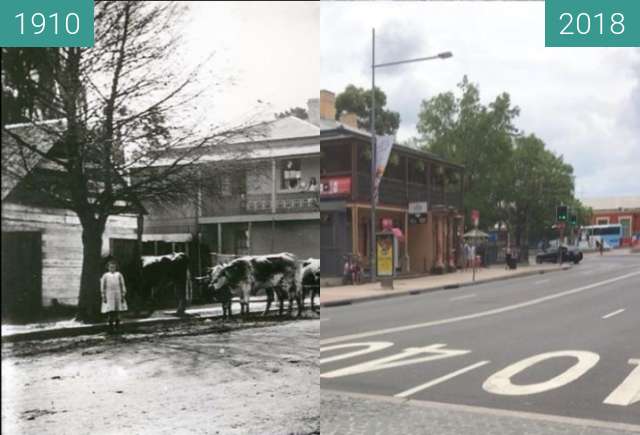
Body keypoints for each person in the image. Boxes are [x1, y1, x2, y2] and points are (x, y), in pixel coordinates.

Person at [101, 259, 128, 334]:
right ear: (108, 267)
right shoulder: (105, 275)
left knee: (117, 310)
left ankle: (117, 325)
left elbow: (122, 284)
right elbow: (102, 286)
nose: (112, 268)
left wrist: (123, 294)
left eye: (114, 267)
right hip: (109, 294)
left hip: (117, 293)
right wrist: (103, 295)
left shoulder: (119, 274)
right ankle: (110, 326)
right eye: (111, 267)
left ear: (116, 268)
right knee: (110, 310)